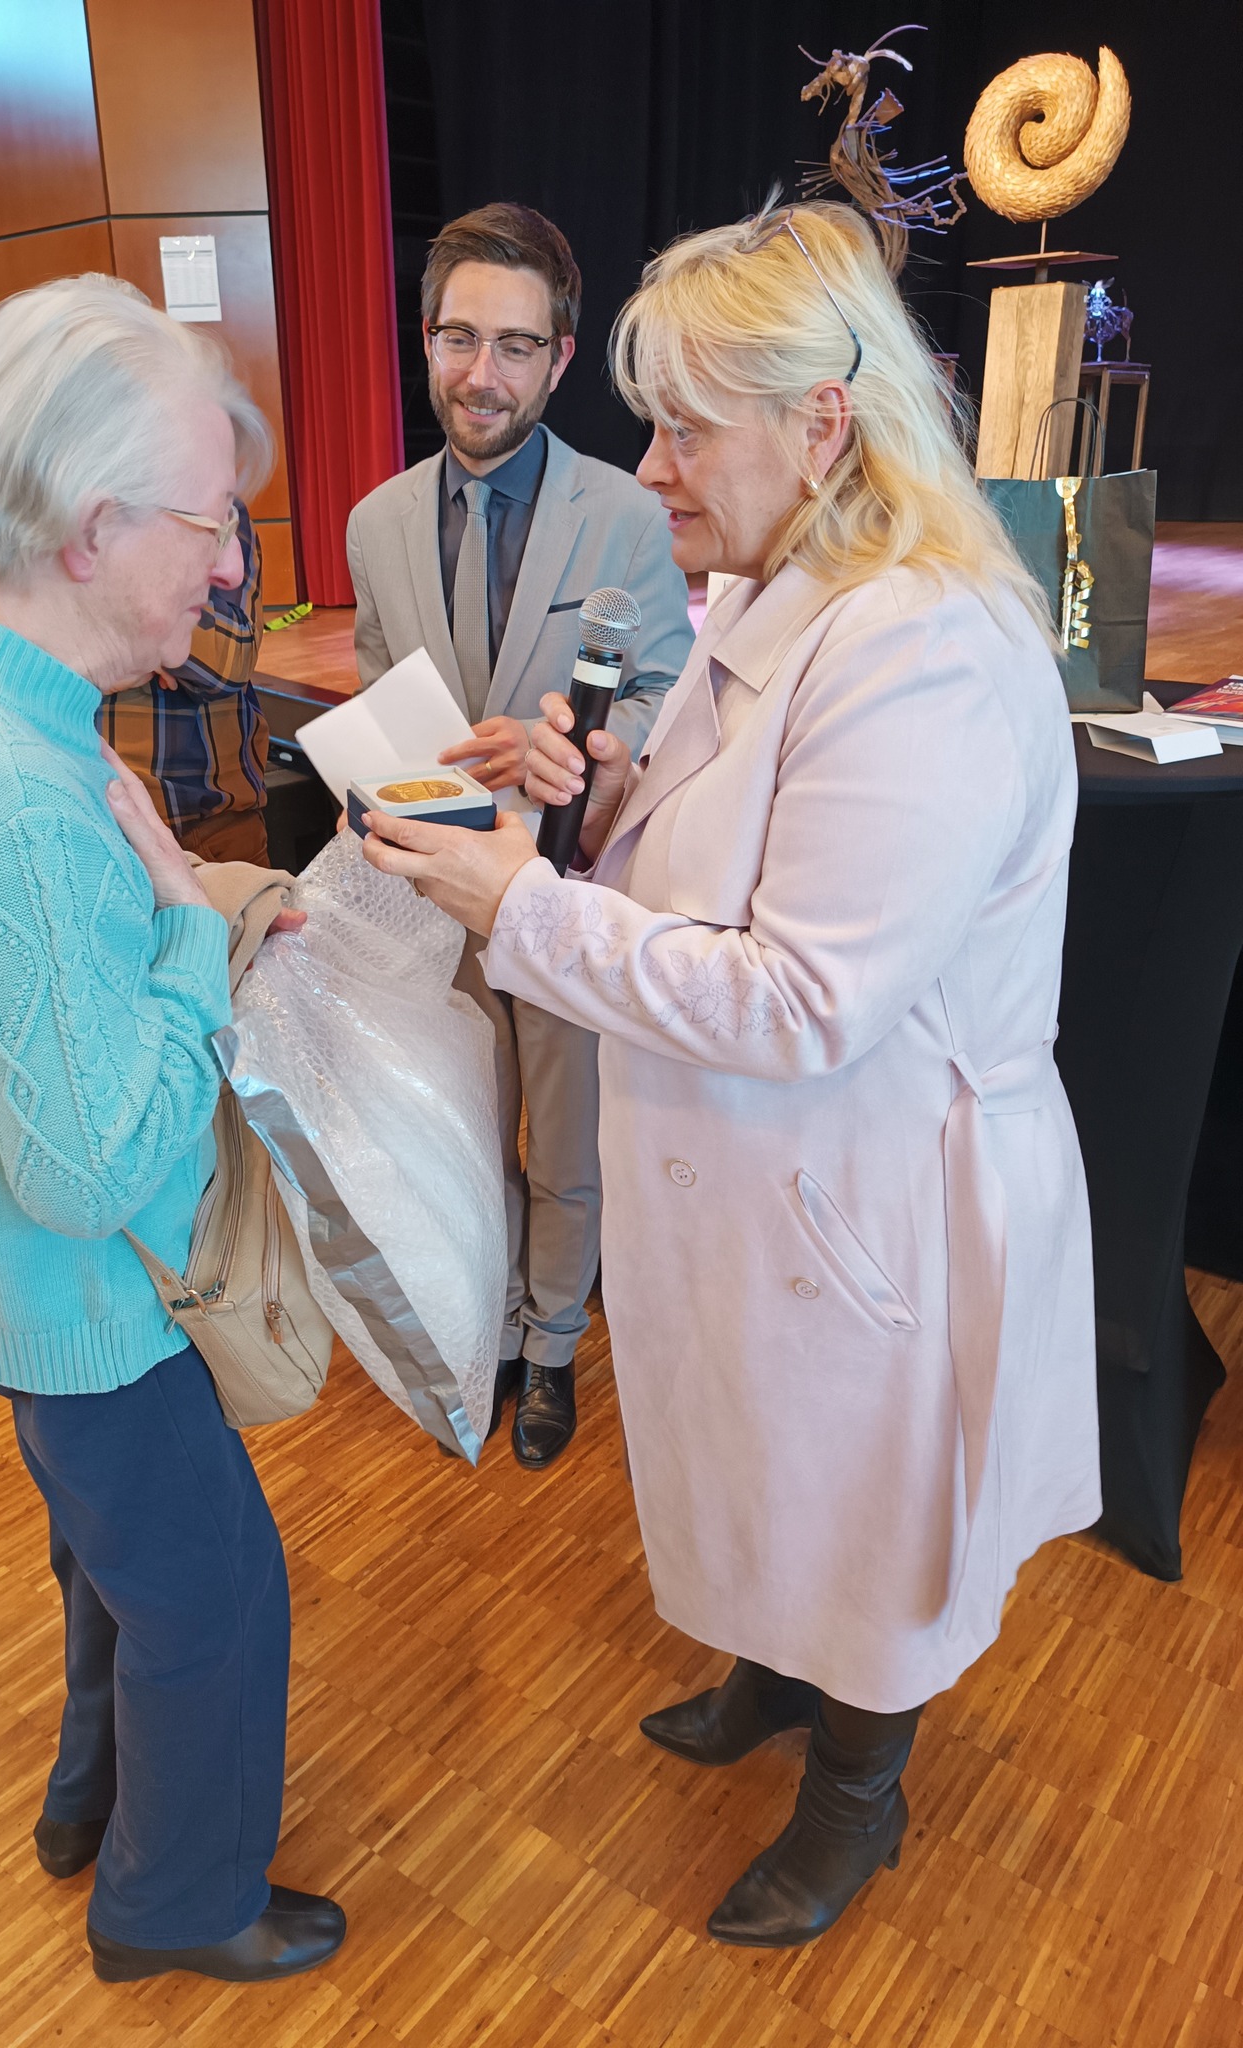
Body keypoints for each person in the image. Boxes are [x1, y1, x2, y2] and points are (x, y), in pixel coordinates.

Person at [359, 200, 1100, 1949]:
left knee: (865, 1502)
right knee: (771, 1465)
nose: (652, 465)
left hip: (870, 1181)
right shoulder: (781, 588)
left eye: (688, 427)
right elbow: (724, 844)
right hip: (767, 1165)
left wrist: (522, 903)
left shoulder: (920, 640)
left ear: (821, 424)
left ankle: (859, 1791)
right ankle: (777, 1670)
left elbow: (806, 995)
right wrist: (609, 793)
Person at [0, 275, 344, 1987]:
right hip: (73, 1292)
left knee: (116, 1550)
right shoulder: (18, 793)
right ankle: (170, 1906)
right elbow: (93, 1168)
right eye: (211, 522)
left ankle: (87, 1796)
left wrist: (168, 916)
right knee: (214, 1591)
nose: (232, 568)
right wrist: (187, 935)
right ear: (96, 528)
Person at [346, 202, 692, 1468]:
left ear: (560, 358)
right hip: (436, 892)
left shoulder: (629, 514)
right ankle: (491, 1320)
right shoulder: (375, 522)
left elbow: (667, 690)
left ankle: (552, 1342)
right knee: (467, 1127)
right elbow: (382, 693)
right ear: (425, 338)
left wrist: (590, 751)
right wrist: (375, 780)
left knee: (567, 1138)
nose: (481, 373)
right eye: (458, 338)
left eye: (515, 345)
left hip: (564, 889)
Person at [97, 499, 273, 866]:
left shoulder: (214, 503)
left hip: (210, 828)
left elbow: (229, 657)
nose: (230, 573)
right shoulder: (43, 510)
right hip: (91, 826)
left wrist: (106, 631)